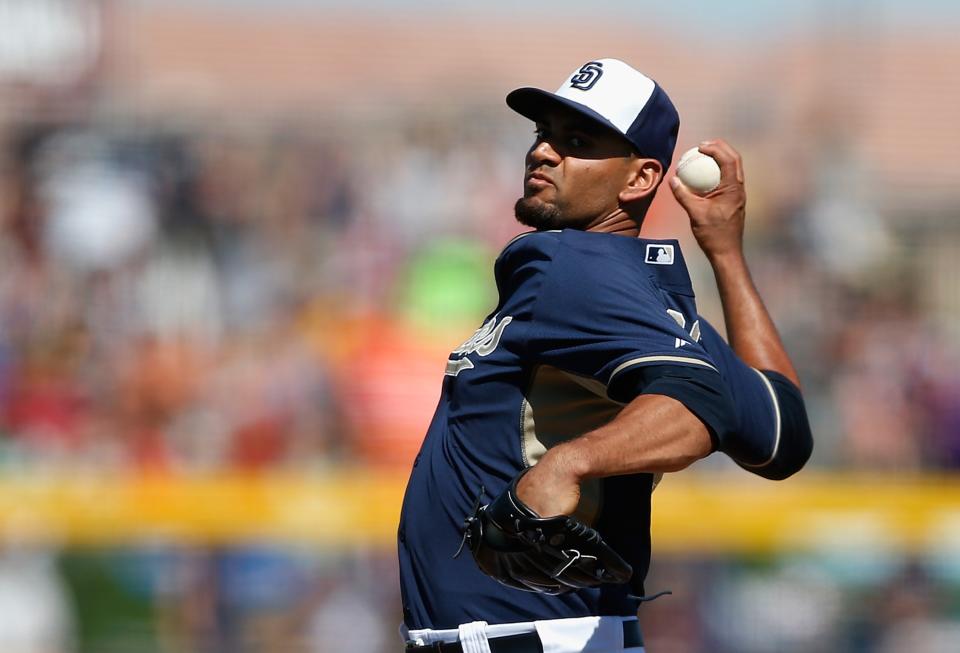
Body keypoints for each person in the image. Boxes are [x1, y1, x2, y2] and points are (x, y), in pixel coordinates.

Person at [398, 58, 813, 653]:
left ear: (640, 179)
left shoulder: (568, 267)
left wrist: (570, 462)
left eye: (577, 142)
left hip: (524, 639)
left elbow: (697, 407)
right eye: (543, 134)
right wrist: (725, 253)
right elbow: (782, 431)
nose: (543, 152)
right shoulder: (639, 294)